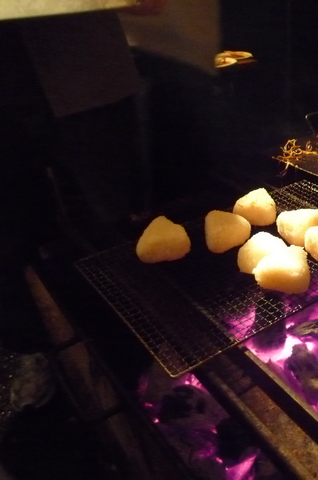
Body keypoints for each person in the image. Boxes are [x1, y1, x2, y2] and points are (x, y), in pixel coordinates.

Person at [0, 1, 164, 411]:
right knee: (11, 234)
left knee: (120, 215)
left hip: (84, 65)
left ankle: (150, 339)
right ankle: (39, 349)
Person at [119, 0, 224, 207]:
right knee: (179, 185)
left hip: (167, 52)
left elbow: (149, 4)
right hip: (172, 54)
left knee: (172, 187)